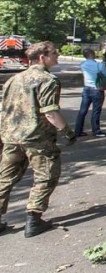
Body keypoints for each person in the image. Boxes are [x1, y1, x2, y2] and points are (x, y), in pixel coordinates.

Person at [0, 41, 76, 237]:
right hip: (37, 139)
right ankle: (33, 219)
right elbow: (50, 111)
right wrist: (67, 131)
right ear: (42, 57)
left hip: (11, 137)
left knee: (5, 178)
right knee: (46, 175)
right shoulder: (47, 80)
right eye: (54, 53)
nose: (57, 56)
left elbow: (4, 108)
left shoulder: (13, 80)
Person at [75, 48, 106, 138]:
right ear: (92, 54)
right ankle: (96, 131)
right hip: (97, 90)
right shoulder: (99, 65)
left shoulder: (82, 64)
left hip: (86, 89)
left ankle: (78, 131)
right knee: (96, 111)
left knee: (82, 111)